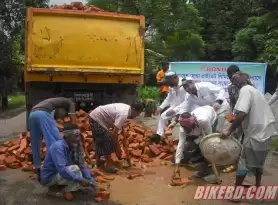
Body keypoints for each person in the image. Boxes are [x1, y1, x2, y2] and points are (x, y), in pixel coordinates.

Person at [220, 72, 277, 196]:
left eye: (235, 79)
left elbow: (242, 113)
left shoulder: (245, 90)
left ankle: (236, 194)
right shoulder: (255, 91)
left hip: (255, 134)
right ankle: (257, 186)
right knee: (259, 163)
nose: (233, 82)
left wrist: (229, 130)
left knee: (243, 162)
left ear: (242, 80)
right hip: (266, 132)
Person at [40, 124, 97, 200]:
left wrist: (91, 181)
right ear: (66, 137)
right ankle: (56, 189)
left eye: (79, 136)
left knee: (83, 169)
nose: (78, 139)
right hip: (50, 177)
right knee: (76, 170)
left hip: (60, 173)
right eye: (75, 136)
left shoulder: (76, 145)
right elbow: (62, 169)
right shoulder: (58, 147)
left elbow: (82, 164)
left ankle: (67, 187)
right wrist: (80, 179)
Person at [89, 101, 145, 173]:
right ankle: (108, 165)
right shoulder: (124, 114)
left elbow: (119, 128)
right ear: (133, 109)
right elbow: (114, 133)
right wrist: (117, 148)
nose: (137, 115)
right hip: (97, 118)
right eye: (138, 113)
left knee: (100, 140)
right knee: (107, 139)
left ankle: (98, 162)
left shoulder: (127, 108)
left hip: (97, 117)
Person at [29, 97, 76, 179]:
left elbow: (55, 117)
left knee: (35, 143)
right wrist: (73, 130)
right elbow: (73, 118)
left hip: (32, 114)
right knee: (55, 142)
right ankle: (58, 169)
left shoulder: (55, 101)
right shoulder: (70, 103)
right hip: (42, 114)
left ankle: (37, 168)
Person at [172, 106, 218, 183]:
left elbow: (209, 138)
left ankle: (206, 168)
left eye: (187, 128)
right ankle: (199, 156)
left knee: (206, 146)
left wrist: (199, 143)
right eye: (183, 127)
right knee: (190, 144)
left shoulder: (204, 121)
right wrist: (177, 165)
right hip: (197, 127)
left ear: (191, 124)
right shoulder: (183, 128)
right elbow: (180, 145)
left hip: (211, 116)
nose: (185, 130)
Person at [150, 72, 190, 142]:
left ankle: (188, 140)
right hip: (175, 107)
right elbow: (169, 98)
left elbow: (188, 100)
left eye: (169, 82)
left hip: (187, 107)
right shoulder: (171, 87)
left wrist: (175, 110)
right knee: (163, 116)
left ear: (175, 79)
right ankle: (159, 135)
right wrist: (161, 107)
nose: (168, 84)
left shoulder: (185, 84)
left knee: (185, 124)